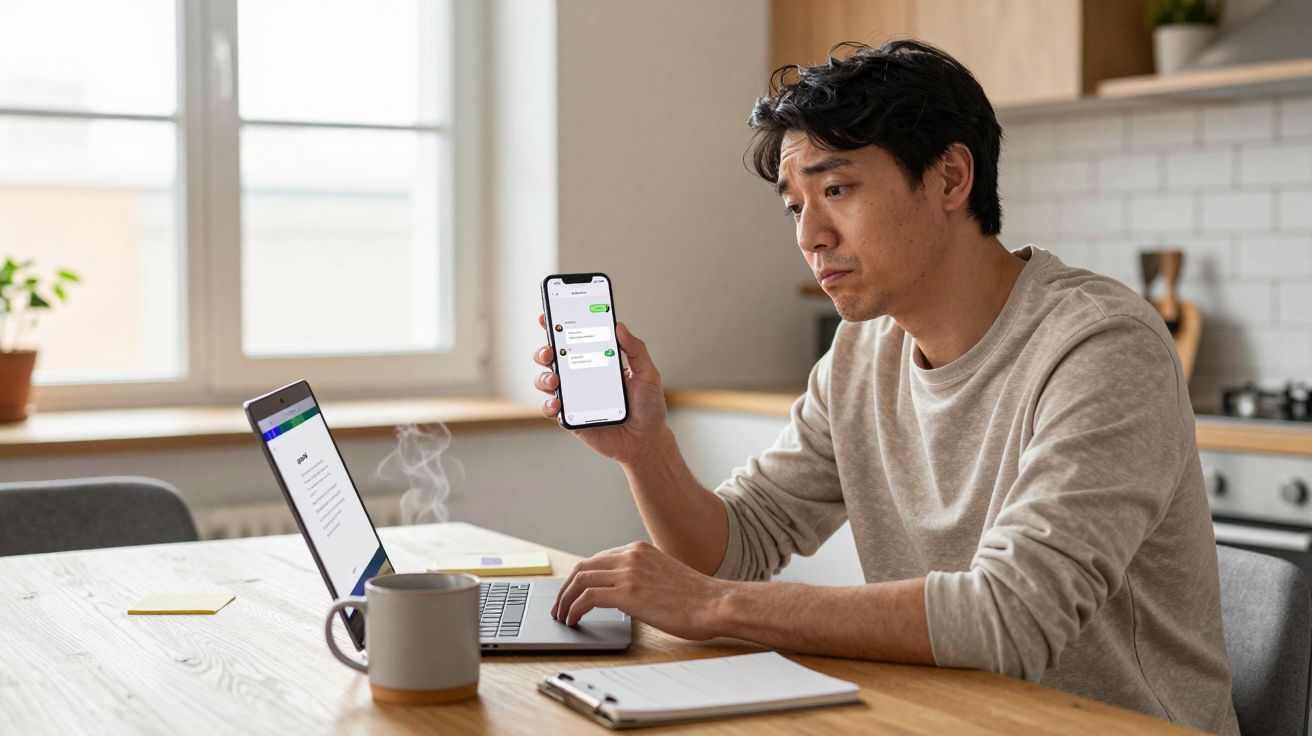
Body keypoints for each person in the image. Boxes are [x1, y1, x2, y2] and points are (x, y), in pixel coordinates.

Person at [530, 40, 1239, 734]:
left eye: (836, 189)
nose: (811, 235)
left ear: (950, 179)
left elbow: (1010, 618)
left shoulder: (1100, 346)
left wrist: (716, 606)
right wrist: (645, 452)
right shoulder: (863, 350)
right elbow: (736, 545)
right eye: (794, 207)